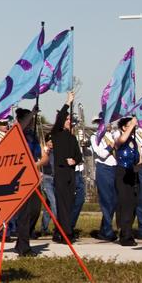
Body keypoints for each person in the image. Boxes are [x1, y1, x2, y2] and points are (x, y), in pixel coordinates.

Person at [14, 108, 49, 257]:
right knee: (24, 213)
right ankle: (23, 247)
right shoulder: (16, 133)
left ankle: (22, 240)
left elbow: (44, 157)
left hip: (34, 177)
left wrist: (37, 165)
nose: (31, 123)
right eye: (29, 120)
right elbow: (21, 127)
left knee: (35, 210)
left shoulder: (33, 136)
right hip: (20, 179)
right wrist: (32, 113)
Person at [49, 94, 83, 242]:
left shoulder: (72, 138)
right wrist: (68, 102)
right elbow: (61, 117)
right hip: (61, 172)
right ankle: (66, 233)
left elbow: (79, 157)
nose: (69, 121)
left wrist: (74, 161)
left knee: (69, 203)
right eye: (67, 119)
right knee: (62, 204)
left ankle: (60, 231)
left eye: (70, 120)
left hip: (71, 173)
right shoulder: (56, 134)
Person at [112, 115, 141, 246]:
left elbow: (138, 159)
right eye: (129, 125)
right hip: (121, 173)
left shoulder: (134, 142)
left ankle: (128, 231)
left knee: (132, 204)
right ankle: (125, 235)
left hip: (132, 173)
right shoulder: (120, 139)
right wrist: (132, 124)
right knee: (125, 204)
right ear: (124, 127)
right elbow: (121, 140)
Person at [92, 115, 119, 241]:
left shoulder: (113, 135)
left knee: (114, 201)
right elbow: (101, 154)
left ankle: (104, 229)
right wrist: (111, 146)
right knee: (106, 201)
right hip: (103, 168)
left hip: (115, 168)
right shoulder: (95, 137)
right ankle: (108, 231)